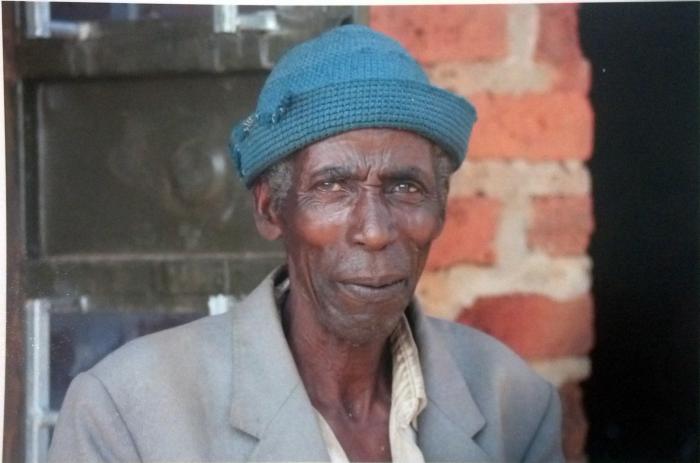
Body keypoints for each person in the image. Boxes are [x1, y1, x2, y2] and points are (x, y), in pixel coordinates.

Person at [49, 25, 564, 463]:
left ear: (441, 210)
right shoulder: (127, 413)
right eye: (333, 186)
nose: (375, 230)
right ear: (271, 210)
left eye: (406, 187)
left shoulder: (512, 402)